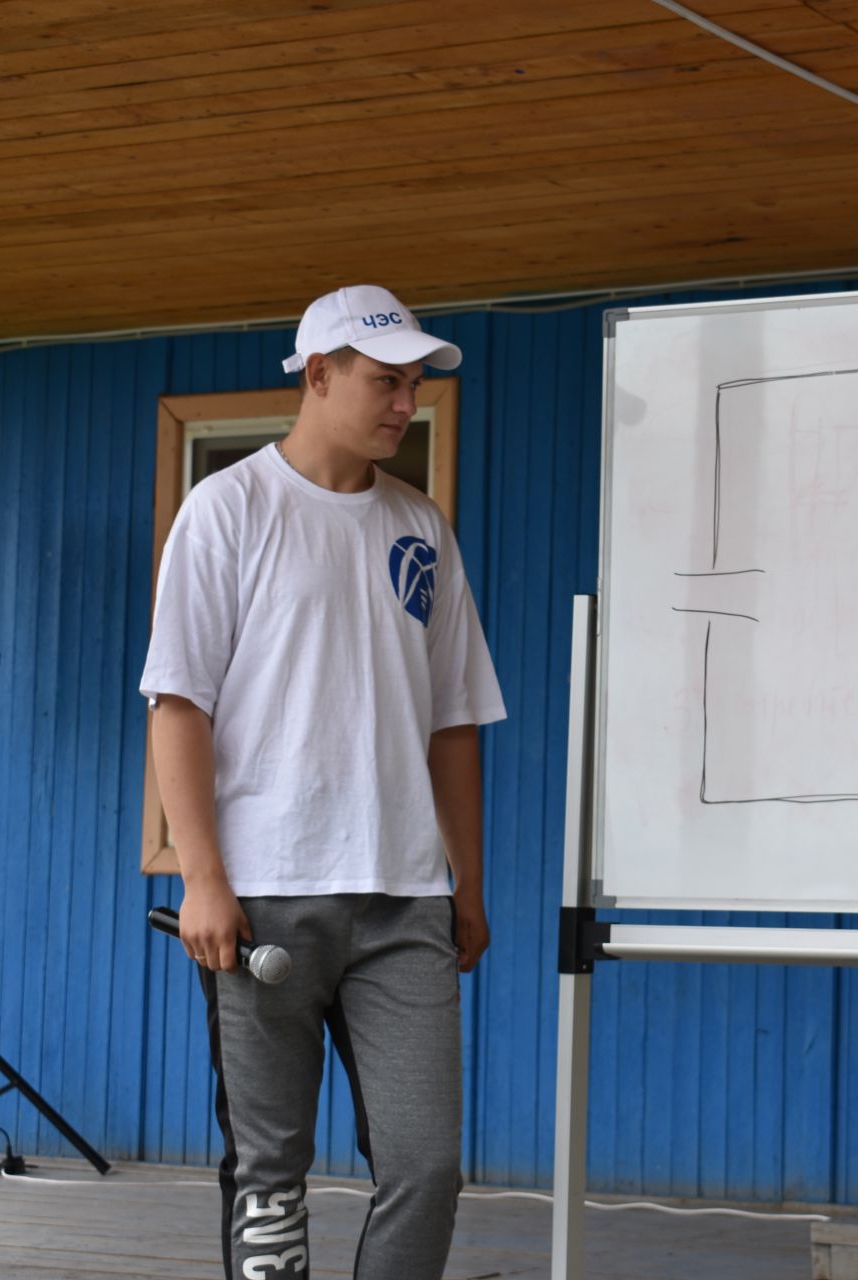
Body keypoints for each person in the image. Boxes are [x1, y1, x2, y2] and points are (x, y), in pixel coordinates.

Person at [141, 284, 505, 1280]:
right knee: (271, 1173)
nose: (405, 401)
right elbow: (178, 704)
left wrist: (466, 879)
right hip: (264, 899)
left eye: (416, 383)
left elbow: (454, 718)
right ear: (318, 374)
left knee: (427, 1165)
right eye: (387, 381)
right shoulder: (230, 508)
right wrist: (203, 877)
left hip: (406, 900)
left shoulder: (420, 526)